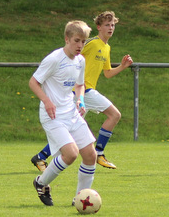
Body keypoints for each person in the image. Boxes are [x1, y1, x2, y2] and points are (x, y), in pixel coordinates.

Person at [31, 11, 133, 171]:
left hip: (82, 94)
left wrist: (122, 66)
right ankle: (99, 152)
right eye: (107, 24)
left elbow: (107, 73)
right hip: (83, 90)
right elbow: (72, 54)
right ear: (98, 27)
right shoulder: (91, 43)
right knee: (115, 115)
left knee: (70, 130)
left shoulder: (106, 47)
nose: (111, 28)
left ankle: (41, 156)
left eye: (113, 25)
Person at [30, 20, 97, 206]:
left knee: (91, 155)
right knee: (71, 154)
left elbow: (80, 85)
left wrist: (80, 99)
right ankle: (41, 183)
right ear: (67, 39)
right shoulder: (54, 59)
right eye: (77, 41)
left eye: (83, 42)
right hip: (52, 116)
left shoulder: (81, 60)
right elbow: (33, 82)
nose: (80, 46)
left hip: (72, 113)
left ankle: (81, 199)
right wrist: (47, 101)